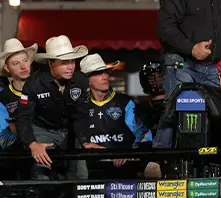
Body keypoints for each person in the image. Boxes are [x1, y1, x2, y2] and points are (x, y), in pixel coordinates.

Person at [154, 0, 221, 148]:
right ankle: (160, 155)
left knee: (216, 114)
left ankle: (208, 161)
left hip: (211, 66)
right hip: (181, 60)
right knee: (180, 106)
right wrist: (191, 48)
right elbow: (165, 26)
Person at [16, 35, 89, 180]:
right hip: (42, 131)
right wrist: (32, 144)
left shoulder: (81, 81)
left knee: (81, 177)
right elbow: (23, 117)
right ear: (51, 63)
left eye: (72, 61)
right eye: (64, 62)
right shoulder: (33, 84)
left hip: (71, 132)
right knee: (41, 175)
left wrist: (84, 140)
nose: (71, 66)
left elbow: (81, 116)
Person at [73, 54, 150, 177]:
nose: (105, 76)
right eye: (98, 73)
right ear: (87, 79)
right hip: (91, 171)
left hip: (125, 170)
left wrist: (127, 153)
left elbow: (145, 135)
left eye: (106, 72)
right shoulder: (80, 106)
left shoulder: (125, 103)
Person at [0, 39, 37, 150]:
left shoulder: (43, 87)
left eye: (25, 61)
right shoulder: (3, 97)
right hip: (17, 154)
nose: (23, 66)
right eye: (16, 63)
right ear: (7, 68)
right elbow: (3, 135)